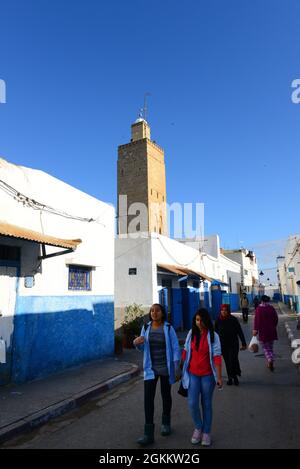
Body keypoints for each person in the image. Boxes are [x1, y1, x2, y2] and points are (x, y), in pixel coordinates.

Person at [133, 303, 181, 446]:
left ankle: (166, 423)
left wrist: (176, 367)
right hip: (150, 370)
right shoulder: (146, 327)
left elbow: (175, 348)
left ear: (162, 313)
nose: (154, 313)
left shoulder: (168, 328)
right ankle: (148, 434)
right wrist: (137, 343)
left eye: (157, 310)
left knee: (166, 396)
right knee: (148, 399)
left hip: (165, 368)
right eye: (152, 310)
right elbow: (142, 347)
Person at [181, 308, 222, 447]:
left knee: (206, 404)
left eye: (202, 320)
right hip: (193, 374)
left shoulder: (213, 336)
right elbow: (186, 350)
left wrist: (219, 376)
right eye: (197, 320)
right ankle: (198, 427)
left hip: (208, 376)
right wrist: (179, 367)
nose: (199, 323)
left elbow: (217, 356)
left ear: (207, 320)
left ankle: (206, 432)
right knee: (192, 403)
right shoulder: (191, 334)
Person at [215, 304, 247, 386]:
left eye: (225, 310)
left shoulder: (233, 320)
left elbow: (239, 331)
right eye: (222, 310)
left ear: (228, 311)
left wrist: (243, 343)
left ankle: (235, 376)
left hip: (233, 344)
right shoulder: (218, 320)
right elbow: (214, 333)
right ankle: (230, 377)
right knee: (227, 362)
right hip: (223, 345)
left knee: (233, 360)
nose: (223, 312)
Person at [253, 295, 278, 371]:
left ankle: (270, 359)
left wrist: (255, 329)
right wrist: (273, 326)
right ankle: (269, 362)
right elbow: (276, 318)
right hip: (272, 331)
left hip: (263, 332)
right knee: (270, 347)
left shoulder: (259, 309)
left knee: (265, 348)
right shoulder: (271, 308)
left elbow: (257, 320)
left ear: (261, 300)